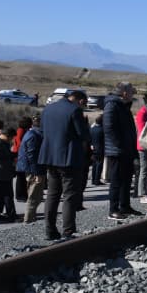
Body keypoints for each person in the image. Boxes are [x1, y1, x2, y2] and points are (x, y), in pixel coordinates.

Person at [38, 90, 90, 239]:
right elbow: (83, 135)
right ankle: (68, 230)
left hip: (50, 157)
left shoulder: (48, 109)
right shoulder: (74, 110)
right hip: (69, 158)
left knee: (52, 195)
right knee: (69, 195)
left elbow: (42, 130)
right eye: (84, 104)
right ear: (80, 101)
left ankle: (50, 230)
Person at [103, 82, 140, 221]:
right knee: (116, 181)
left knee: (126, 180)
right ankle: (113, 209)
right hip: (117, 151)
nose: (133, 93)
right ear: (124, 93)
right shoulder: (112, 105)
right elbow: (109, 128)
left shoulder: (123, 106)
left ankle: (125, 206)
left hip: (126, 149)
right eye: (131, 91)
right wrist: (120, 146)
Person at [16, 114, 45, 224]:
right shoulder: (34, 136)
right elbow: (32, 155)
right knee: (34, 195)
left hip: (32, 168)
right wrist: (36, 172)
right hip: (34, 169)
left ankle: (30, 217)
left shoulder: (31, 134)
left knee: (35, 195)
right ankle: (28, 219)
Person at [135, 91, 147, 204]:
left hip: (145, 143)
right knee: (144, 170)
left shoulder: (143, 111)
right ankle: (142, 193)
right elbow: (142, 130)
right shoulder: (144, 112)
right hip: (144, 144)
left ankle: (146, 192)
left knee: (146, 169)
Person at [13, 116, 33, 200]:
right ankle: (20, 195)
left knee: (22, 176)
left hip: (20, 154)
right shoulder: (21, 131)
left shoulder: (23, 130)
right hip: (19, 155)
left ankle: (22, 194)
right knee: (21, 176)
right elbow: (19, 142)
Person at [89, 115, 105, 186]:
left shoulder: (92, 129)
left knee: (94, 165)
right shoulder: (102, 130)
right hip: (100, 149)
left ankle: (93, 179)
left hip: (93, 148)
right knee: (99, 165)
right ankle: (97, 180)